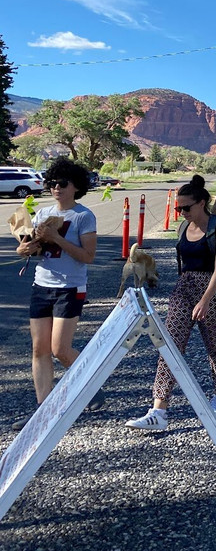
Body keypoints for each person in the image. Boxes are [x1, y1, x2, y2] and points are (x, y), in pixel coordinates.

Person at [126, 175, 216, 431]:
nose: (182, 212)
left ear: (202, 202)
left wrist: (206, 299)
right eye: (179, 208)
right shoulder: (182, 228)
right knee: (169, 344)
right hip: (184, 287)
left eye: (187, 207)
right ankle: (158, 410)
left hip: (213, 290)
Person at [13, 158, 101, 431]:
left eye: (63, 184)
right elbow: (38, 251)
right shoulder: (42, 213)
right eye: (52, 183)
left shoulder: (84, 216)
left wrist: (58, 237)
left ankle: (91, 384)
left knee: (59, 350)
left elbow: (88, 257)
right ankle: (44, 411)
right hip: (42, 285)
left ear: (76, 186)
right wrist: (26, 250)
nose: (56, 188)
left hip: (70, 288)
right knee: (39, 349)